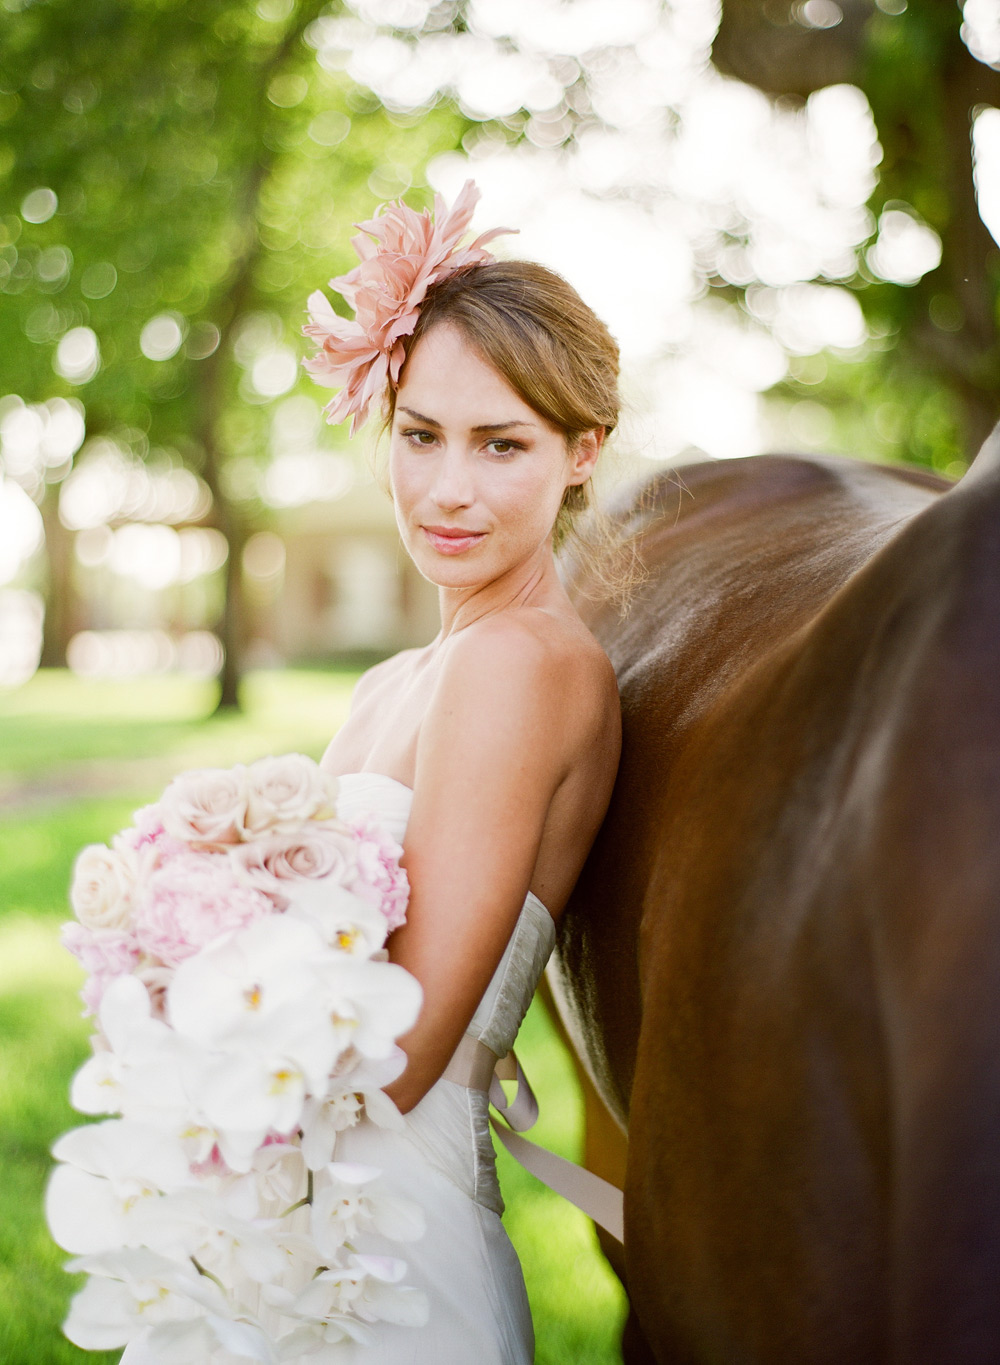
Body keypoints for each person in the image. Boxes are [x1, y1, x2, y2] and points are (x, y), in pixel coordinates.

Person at [304, 181, 622, 1363]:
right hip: (293, 1204)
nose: (448, 490)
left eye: (503, 446)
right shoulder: (390, 683)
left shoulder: (524, 663)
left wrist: (197, 1059)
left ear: (582, 450)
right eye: (421, 434)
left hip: (386, 1248)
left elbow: (402, 1054)